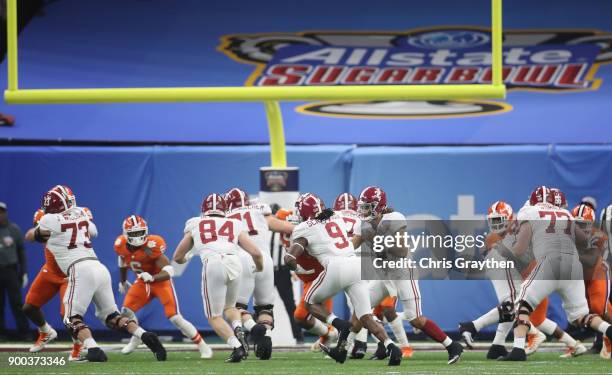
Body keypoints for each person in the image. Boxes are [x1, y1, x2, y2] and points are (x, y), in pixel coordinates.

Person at [27, 188, 166, 362]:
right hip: (98, 267)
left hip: (79, 269)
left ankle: (93, 349)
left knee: (71, 318)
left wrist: (41, 231)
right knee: (112, 317)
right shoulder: (81, 213)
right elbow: (93, 231)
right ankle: (143, 334)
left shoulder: (48, 219)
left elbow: (34, 236)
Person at [284, 193, 402, 366]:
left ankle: (339, 325)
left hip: (336, 267)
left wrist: (296, 267)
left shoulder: (303, 227)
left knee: (309, 302)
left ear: (304, 210)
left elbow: (289, 258)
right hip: (356, 265)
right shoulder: (336, 215)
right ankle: (391, 347)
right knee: (364, 315)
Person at [353, 186, 463, 365]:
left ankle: (452, 345)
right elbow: (351, 246)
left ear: (379, 206)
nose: (363, 211)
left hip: (403, 271)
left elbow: (402, 251)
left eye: (367, 206)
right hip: (384, 274)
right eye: (362, 206)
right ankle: (346, 346)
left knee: (415, 319)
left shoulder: (394, 219)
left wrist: (379, 239)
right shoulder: (362, 224)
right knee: (361, 306)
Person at [502, 186, 612, 361]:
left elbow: (520, 249)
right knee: (581, 316)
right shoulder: (565, 213)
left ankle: (518, 350)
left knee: (522, 305)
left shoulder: (530, 212)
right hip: (573, 267)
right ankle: (608, 329)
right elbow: (584, 241)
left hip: (550, 264)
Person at [173, 193, 264, 363]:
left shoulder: (195, 223)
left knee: (214, 316)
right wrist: (258, 268)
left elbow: (177, 256)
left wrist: (187, 257)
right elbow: (256, 253)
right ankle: (238, 328)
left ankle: (237, 347)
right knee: (230, 307)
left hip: (214, 262)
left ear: (204, 209)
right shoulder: (235, 223)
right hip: (235, 262)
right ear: (225, 209)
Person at [115, 215, 212, 358]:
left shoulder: (152, 245)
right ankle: (136, 338)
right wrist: (123, 281)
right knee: (126, 312)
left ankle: (202, 345)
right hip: (142, 282)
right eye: (133, 233)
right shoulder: (120, 245)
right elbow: (122, 260)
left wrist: (153, 277)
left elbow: (170, 270)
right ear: (126, 234)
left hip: (160, 282)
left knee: (175, 317)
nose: (137, 237)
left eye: (139, 232)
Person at [224, 188, 294, 359]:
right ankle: (266, 335)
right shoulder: (260, 212)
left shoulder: (225, 218)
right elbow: (287, 227)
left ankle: (252, 329)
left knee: (235, 308)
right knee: (265, 308)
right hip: (265, 261)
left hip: (242, 260)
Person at [0, 201, 29, 340]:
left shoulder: (14, 229)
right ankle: (1, 333)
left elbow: (21, 252)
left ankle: (24, 332)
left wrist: (23, 272)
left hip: (11, 271)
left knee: (17, 303)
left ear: (5, 213)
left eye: (1, 212)